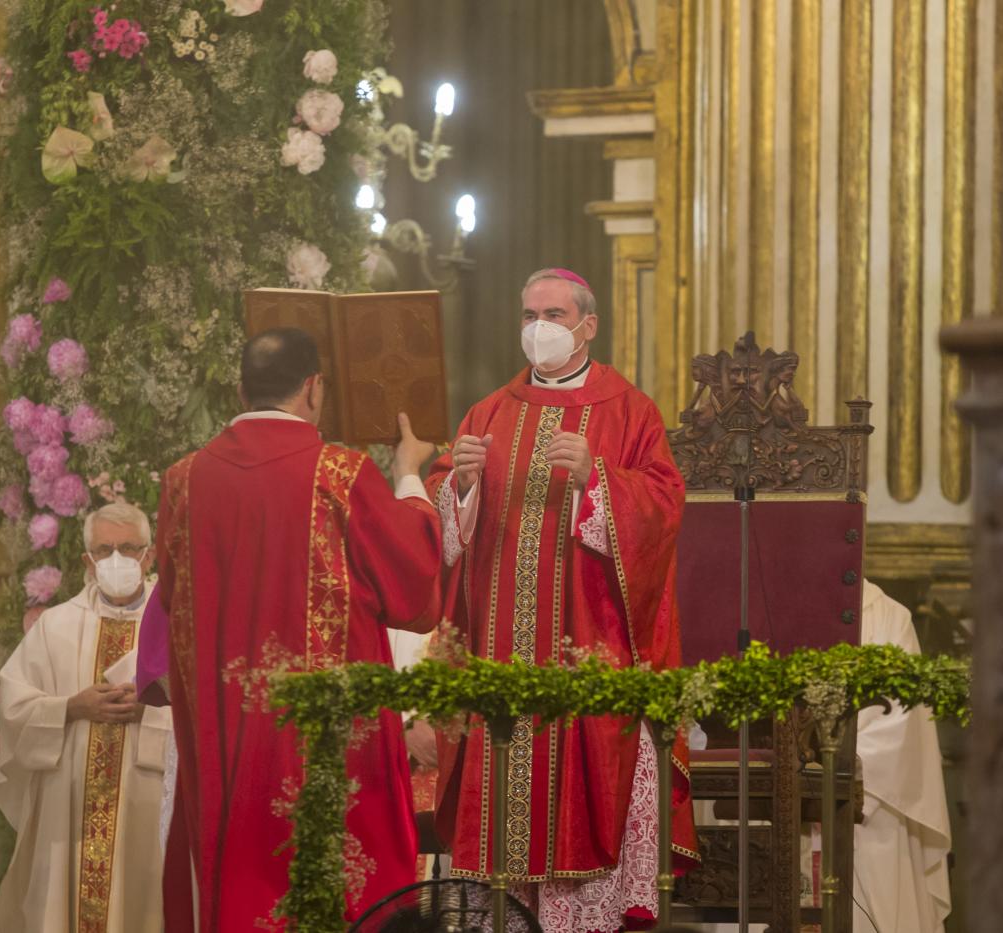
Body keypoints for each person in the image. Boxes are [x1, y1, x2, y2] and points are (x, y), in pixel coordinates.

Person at [427, 268, 698, 933]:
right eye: (527, 314)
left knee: (578, 818)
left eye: (551, 313)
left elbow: (664, 511)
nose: (537, 328)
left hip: (588, 657)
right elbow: (444, 535)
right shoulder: (488, 412)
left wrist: (598, 480)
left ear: (587, 325)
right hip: (497, 658)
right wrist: (459, 485)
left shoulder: (630, 411)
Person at [153, 327, 443, 931]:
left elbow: (175, 601)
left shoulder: (183, 480)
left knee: (244, 887)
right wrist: (410, 476)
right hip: (328, 737)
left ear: (240, 389)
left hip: (229, 736)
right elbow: (412, 587)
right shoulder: (341, 473)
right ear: (314, 389)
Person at [0, 502, 172, 933]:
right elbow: (14, 708)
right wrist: (71, 707)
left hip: (149, 798)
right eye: (104, 549)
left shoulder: (174, 623)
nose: (117, 559)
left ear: (149, 555)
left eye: (129, 548)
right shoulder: (56, 626)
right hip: (67, 811)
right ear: (87, 561)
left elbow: (206, 714)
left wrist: (150, 710)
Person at [852, 580, 952, 933]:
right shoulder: (758, 606)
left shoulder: (887, 616)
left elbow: (903, 722)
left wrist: (837, 766)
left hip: (867, 810)